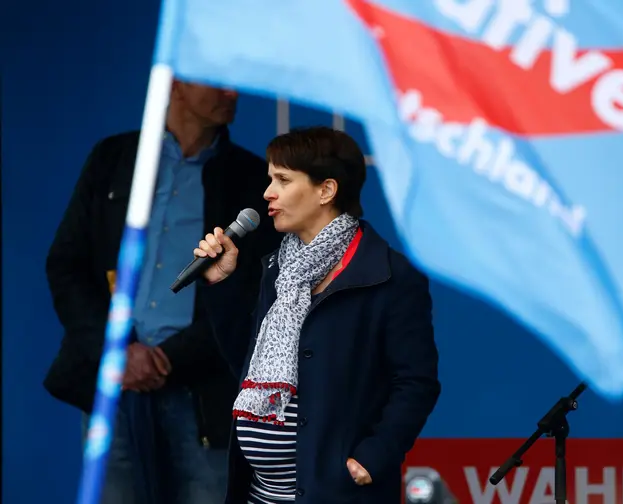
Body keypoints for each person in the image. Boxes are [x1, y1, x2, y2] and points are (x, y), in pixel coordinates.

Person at [43, 80, 282, 504]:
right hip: (113, 389)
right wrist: (116, 349)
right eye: (217, 83)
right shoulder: (114, 159)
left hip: (205, 394)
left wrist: (171, 359)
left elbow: (255, 295)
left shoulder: (250, 179)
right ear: (175, 85)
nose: (234, 93)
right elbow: (68, 264)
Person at [194, 126, 442, 503]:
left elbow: (416, 382)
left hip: (334, 493)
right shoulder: (278, 268)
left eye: (283, 179)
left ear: (326, 190)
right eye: (269, 179)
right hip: (260, 494)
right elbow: (241, 362)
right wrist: (222, 283)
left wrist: (374, 455)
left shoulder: (388, 274)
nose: (267, 193)